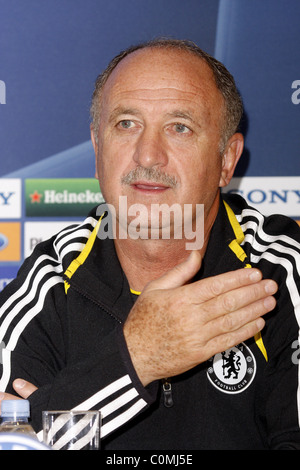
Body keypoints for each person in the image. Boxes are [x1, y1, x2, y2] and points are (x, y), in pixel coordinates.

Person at [0, 38, 299, 450]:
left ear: (226, 160)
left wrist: (61, 406)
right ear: (97, 147)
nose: (148, 155)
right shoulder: (50, 279)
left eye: (180, 127)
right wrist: (138, 357)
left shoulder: (283, 270)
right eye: (126, 124)